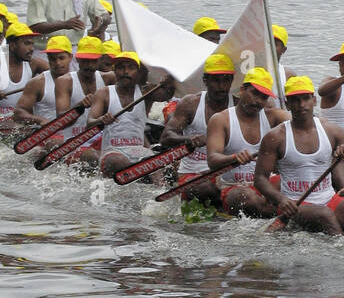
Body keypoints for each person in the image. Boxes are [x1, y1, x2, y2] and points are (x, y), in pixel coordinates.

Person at [253, 76, 344, 237]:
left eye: (305, 99)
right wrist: (281, 199)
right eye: (295, 100)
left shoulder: (333, 131)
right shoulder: (275, 137)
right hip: (295, 204)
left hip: (329, 199)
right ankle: (343, 254)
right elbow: (260, 178)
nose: (301, 105)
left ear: (314, 101)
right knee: (324, 215)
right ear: (288, 104)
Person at [205, 66, 289, 216]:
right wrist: (234, 158)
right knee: (248, 198)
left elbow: (308, 122)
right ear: (242, 90)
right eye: (254, 93)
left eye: (263, 97)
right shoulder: (221, 119)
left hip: (265, 183)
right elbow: (212, 160)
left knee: (296, 185)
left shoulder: (274, 116)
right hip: (233, 186)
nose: (257, 101)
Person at [161, 52, 242, 202]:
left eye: (226, 80)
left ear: (232, 81)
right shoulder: (190, 103)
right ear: (205, 80)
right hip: (193, 172)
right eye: (216, 81)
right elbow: (166, 137)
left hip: (225, 172)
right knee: (206, 189)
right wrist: (189, 139)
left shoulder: (238, 105)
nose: (221, 86)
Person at [86, 50, 150, 177]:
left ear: (138, 72)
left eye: (131, 68)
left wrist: (166, 82)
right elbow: (89, 123)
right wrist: (101, 120)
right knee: (120, 162)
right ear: (115, 71)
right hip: (112, 152)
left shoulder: (146, 93)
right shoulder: (103, 93)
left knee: (158, 165)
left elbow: (169, 92)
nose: (125, 72)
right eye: (120, 67)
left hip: (138, 151)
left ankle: (159, 194)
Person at [11, 37, 75, 143]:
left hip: (76, 134)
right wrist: (40, 120)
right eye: (53, 59)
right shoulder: (37, 83)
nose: (57, 63)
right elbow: (18, 113)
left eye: (61, 58)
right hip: (48, 136)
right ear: (48, 59)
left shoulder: (81, 79)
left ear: (70, 57)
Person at [271, 23, 289, 96]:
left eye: (274, 44)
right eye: (267, 42)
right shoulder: (249, 71)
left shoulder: (287, 75)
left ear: (283, 50)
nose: (269, 47)